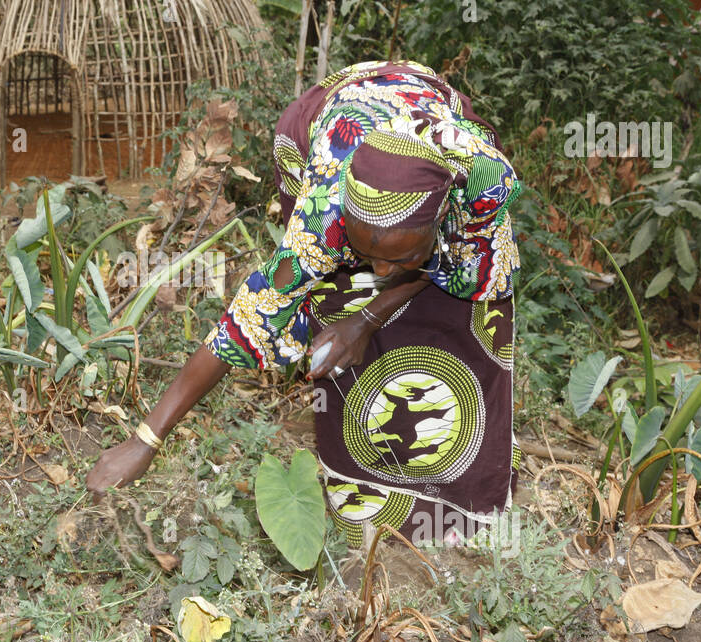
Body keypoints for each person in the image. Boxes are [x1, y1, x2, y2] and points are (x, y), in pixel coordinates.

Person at [85, 60, 522, 550]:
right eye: (366, 253)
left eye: (396, 256)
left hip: (425, 122)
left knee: (465, 316)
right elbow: (248, 320)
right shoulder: (323, 216)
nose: (378, 272)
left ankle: (463, 501)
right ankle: (367, 486)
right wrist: (146, 439)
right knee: (336, 299)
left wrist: (371, 314)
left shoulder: (477, 190)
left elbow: (461, 266)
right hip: (329, 127)